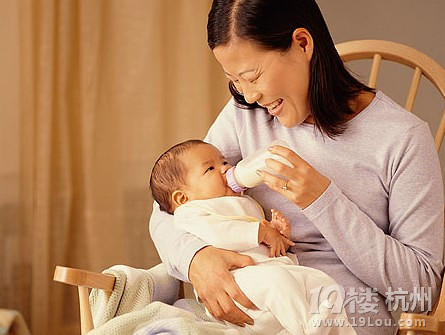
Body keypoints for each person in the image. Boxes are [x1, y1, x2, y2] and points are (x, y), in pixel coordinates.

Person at [149, 0, 444, 334]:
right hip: (251, 313)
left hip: (336, 318)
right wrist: (196, 258)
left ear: (302, 43)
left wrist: (324, 200)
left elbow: (419, 292)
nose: (250, 95)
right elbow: (170, 208)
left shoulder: (401, 139)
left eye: (252, 76)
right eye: (234, 81)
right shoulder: (245, 114)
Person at [150, 139, 356, 334]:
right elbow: (220, 234)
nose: (226, 169)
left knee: (322, 282)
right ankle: (304, 329)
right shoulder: (190, 212)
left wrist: (278, 234)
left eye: (224, 162)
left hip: (269, 273)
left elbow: (261, 240)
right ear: (182, 197)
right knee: (278, 282)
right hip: (238, 284)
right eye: (210, 169)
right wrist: (261, 232)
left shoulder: (243, 201)